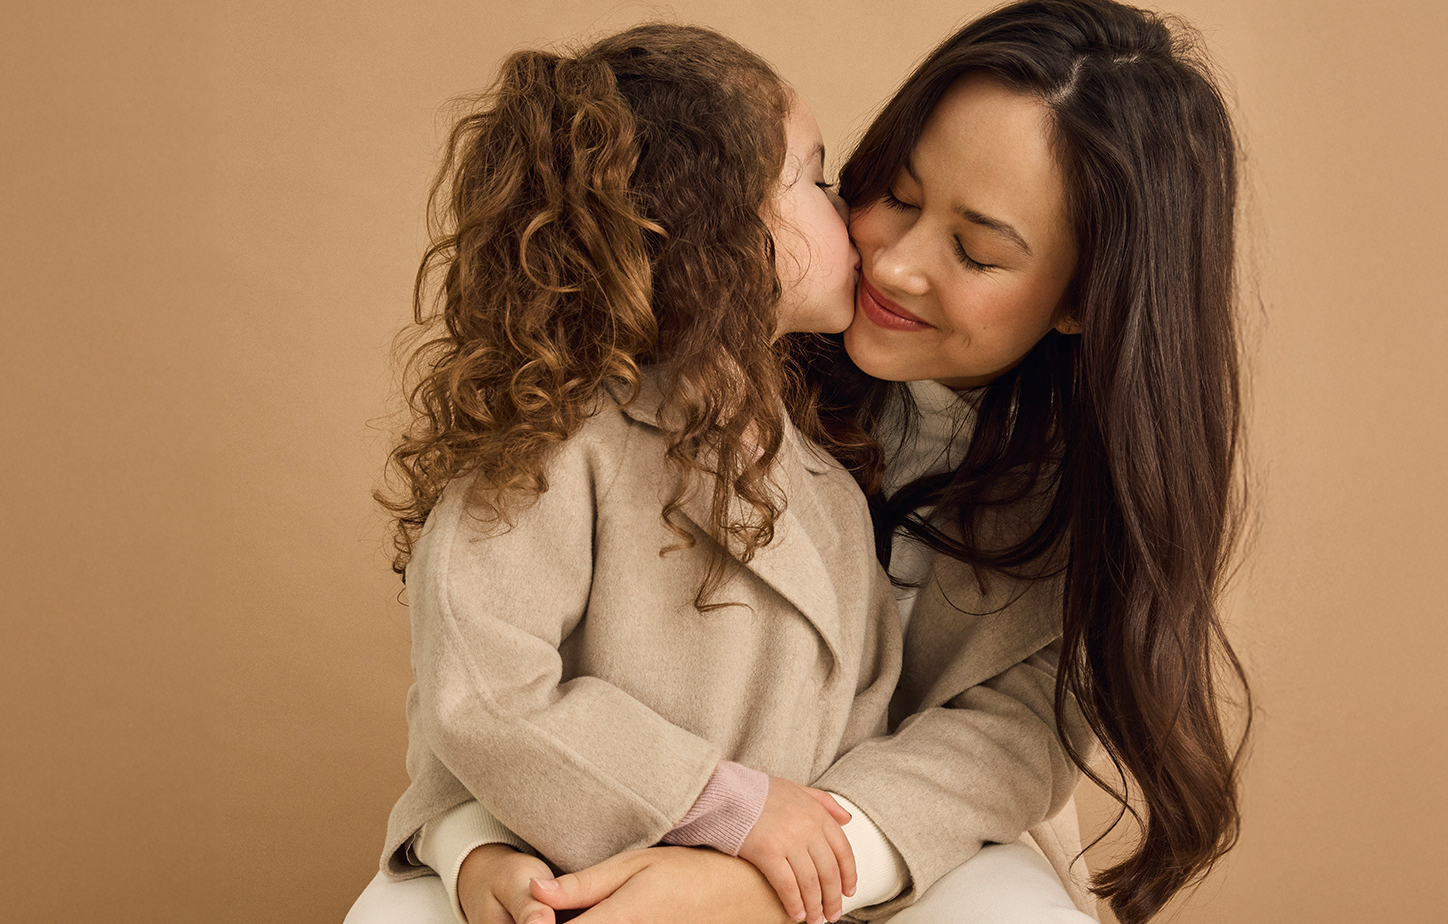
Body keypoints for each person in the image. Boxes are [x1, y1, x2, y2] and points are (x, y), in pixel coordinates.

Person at [417, 0, 1251, 922]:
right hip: (592, 839)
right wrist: (471, 845)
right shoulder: (696, 355)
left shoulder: (1091, 484)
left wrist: (772, 873)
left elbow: (1007, 740)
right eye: (892, 192)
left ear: (1084, 299)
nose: (892, 265)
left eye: (975, 252)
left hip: (899, 854)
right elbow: (480, 665)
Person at [343, 23, 911, 924]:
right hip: (592, 890)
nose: (847, 210)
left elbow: (868, 707)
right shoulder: (554, 442)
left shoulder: (825, 480)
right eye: (812, 175)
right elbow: (479, 695)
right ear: (716, 226)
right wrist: (725, 805)